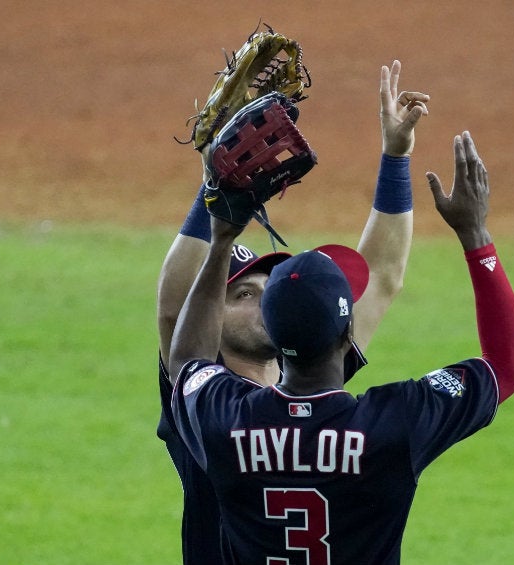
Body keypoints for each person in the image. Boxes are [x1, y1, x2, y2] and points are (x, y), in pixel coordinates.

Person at [168, 130, 514, 564]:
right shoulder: (394, 424)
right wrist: (476, 236)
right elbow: (508, 365)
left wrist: (222, 236)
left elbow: (187, 359)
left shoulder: (224, 420)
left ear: (276, 338)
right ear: (347, 338)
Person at [155, 60, 429, 564]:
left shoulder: (314, 370)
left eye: (270, 290)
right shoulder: (200, 401)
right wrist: (217, 192)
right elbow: (175, 309)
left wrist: (396, 157)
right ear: (210, 318)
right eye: (242, 294)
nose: (264, 300)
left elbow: (383, 274)